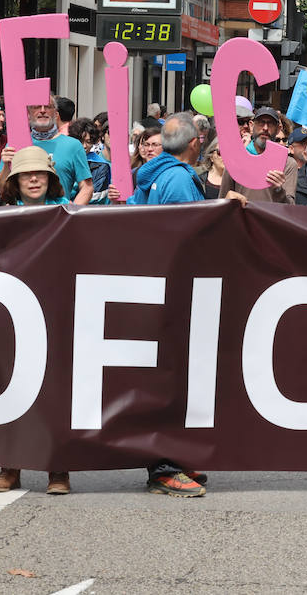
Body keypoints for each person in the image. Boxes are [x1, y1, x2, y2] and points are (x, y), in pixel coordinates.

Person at [123, 113, 211, 496]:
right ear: (196, 144)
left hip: (159, 288)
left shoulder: (159, 174)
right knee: (171, 379)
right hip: (173, 291)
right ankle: (164, 466)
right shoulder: (178, 180)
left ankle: (171, 456)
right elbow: (183, 240)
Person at [0, 147, 71, 493]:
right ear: (14, 181)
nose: (33, 179)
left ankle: (58, 469)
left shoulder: (69, 215)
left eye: (40, 173)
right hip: (11, 315)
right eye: (25, 174)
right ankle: (10, 467)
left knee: (56, 391)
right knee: (10, 387)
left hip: (56, 312)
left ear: (50, 179)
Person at [0, 101, 92, 205]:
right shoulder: (15, 144)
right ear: (28, 114)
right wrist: (6, 166)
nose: (42, 111)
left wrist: (70, 213)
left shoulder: (73, 145)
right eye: (37, 106)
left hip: (58, 217)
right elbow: (2, 190)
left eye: (47, 106)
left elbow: (87, 187)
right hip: (23, 217)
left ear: (56, 114)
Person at [216, 107, 298, 204]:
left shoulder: (287, 163)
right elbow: (222, 200)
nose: (265, 128)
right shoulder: (236, 160)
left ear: (278, 129)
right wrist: (228, 200)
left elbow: (290, 207)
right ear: (251, 125)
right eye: (261, 122)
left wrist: (278, 190)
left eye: (270, 124)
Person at [68, 117, 115, 204]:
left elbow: (96, 197)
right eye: (80, 141)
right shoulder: (66, 159)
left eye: (88, 141)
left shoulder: (100, 165)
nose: (84, 146)